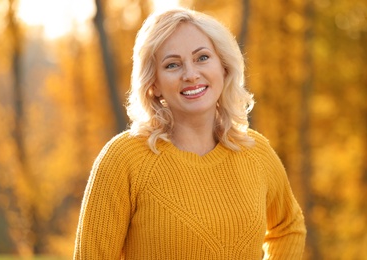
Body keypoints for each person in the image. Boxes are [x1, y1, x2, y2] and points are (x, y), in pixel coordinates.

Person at [74, 7, 306, 259]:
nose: (191, 74)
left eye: (202, 58)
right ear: (154, 84)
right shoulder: (124, 159)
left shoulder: (255, 151)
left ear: (224, 68)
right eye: (172, 64)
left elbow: (288, 227)